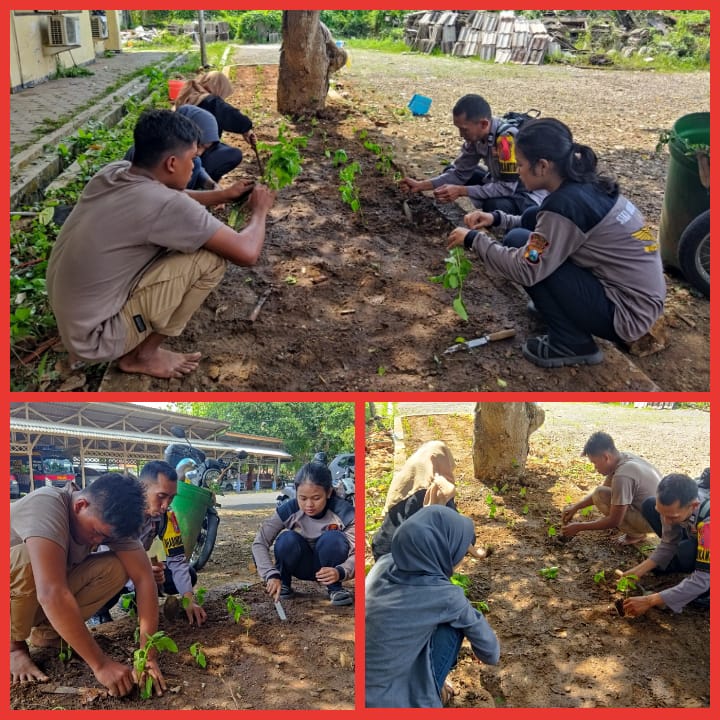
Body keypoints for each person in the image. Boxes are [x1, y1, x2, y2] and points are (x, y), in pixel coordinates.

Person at [47, 109, 276, 380]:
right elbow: (247, 253)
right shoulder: (167, 206)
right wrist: (259, 210)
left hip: (73, 316)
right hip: (96, 339)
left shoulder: (114, 172)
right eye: (193, 159)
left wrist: (221, 195)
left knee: (177, 244)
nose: (194, 166)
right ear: (171, 163)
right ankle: (141, 356)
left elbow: (167, 193)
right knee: (210, 261)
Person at [447, 117, 666, 368]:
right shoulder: (582, 187)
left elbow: (526, 268)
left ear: (542, 166)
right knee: (523, 231)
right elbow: (543, 224)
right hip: (633, 295)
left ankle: (572, 343)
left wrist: (474, 240)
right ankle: (559, 311)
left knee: (533, 263)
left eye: (520, 165)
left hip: (626, 313)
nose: (517, 171)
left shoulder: (565, 206)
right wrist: (496, 218)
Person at [10, 472, 167, 697]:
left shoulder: (109, 521)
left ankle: (50, 635)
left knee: (118, 567)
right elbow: (51, 593)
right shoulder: (46, 505)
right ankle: (12, 647)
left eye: (104, 538)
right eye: (96, 533)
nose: (98, 542)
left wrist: (147, 654)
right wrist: (100, 664)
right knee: (26, 560)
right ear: (81, 505)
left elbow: (144, 579)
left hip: (34, 598)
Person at [365, 505, 500, 708]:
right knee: (453, 626)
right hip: (394, 704)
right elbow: (491, 653)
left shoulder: (382, 565)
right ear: (445, 551)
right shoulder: (445, 596)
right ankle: (430, 693)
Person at [88, 461, 207, 627]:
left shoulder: (166, 518)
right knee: (109, 579)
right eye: (161, 496)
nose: (166, 505)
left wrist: (188, 601)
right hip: (112, 572)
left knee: (189, 573)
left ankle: (136, 601)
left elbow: (177, 560)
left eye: (171, 497)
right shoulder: (119, 513)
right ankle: (98, 612)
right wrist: (142, 573)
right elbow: (106, 559)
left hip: (140, 570)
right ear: (142, 489)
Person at [400, 94, 547, 214]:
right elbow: (459, 173)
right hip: (499, 181)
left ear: (483, 124)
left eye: (464, 130)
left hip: (526, 194)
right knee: (450, 174)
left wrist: (461, 191)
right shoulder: (476, 137)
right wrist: (421, 185)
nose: (461, 135)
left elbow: (506, 188)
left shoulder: (506, 141)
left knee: (494, 205)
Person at [252, 461, 355, 607]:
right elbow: (260, 543)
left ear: (329, 492)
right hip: (300, 565)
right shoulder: (288, 510)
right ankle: (284, 584)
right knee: (286, 539)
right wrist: (270, 574)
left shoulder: (345, 513)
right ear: (296, 492)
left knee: (334, 538)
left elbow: (359, 552)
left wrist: (341, 571)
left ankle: (335, 588)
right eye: (303, 498)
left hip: (331, 568)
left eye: (316, 498)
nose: (309, 505)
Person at [620, 472, 710, 617]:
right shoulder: (678, 501)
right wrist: (637, 571)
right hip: (700, 533)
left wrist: (650, 600)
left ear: (693, 506)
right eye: (662, 513)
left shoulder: (709, 525)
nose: (666, 522)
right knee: (649, 504)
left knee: (689, 554)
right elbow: (669, 542)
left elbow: (703, 578)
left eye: (672, 517)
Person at [561, 431, 660, 545]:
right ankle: (634, 528)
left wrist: (579, 527)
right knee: (600, 494)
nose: (595, 468)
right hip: (656, 515)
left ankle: (636, 535)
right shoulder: (622, 458)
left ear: (605, 457)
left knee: (602, 496)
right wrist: (576, 507)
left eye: (595, 463)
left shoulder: (623, 475)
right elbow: (601, 493)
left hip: (654, 523)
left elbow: (614, 521)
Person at [371, 440, 459, 560]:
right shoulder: (432, 489)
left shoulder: (406, 482)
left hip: (382, 549)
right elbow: (454, 528)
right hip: (401, 558)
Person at [174, 70, 256, 182]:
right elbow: (230, 115)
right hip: (195, 151)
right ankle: (202, 181)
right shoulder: (210, 101)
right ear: (219, 87)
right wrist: (246, 127)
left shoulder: (192, 92)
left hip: (180, 147)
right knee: (233, 154)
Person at [124, 105, 228, 191]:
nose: (199, 153)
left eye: (205, 148)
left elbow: (199, 169)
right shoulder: (147, 158)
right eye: (199, 145)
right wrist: (220, 196)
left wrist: (211, 185)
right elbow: (166, 195)